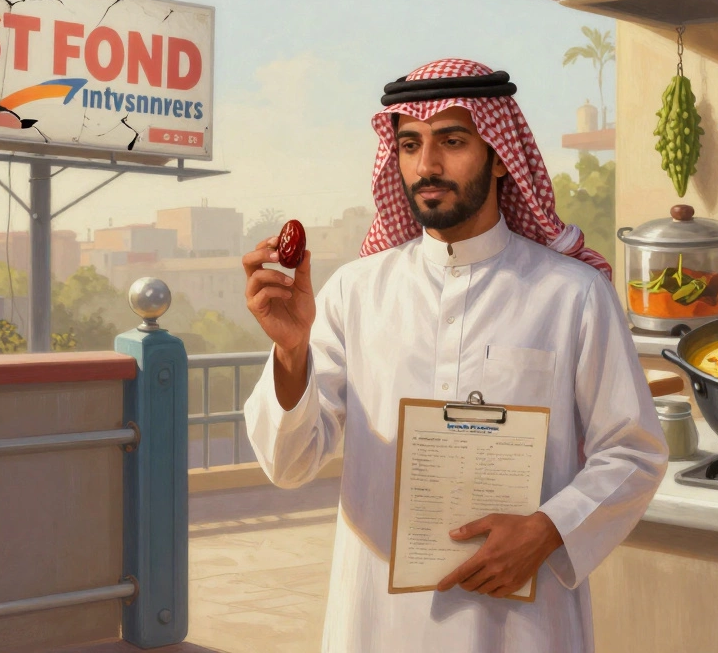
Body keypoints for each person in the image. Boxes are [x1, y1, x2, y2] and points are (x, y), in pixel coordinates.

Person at [241, 58, 667, 653]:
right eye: (410, 144)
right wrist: (291, 351)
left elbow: (633, 450)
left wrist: (548, 530)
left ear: (498, 154)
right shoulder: (355, 292)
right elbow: (288, 466)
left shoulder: (572, 294)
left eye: (452, 141)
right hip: (379, 623)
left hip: (522, 622)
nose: (427, 165)